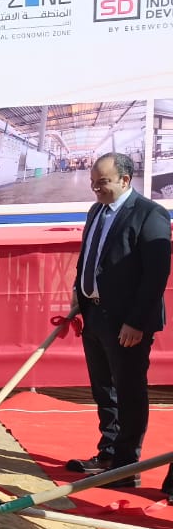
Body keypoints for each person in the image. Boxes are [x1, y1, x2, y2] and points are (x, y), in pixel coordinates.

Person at [65, 152, 171, 490]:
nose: (96, 189)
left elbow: (156, 275)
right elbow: (89, 257)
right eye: (93, 183)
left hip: (127, 322)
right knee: (104, 389)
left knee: (128, 390)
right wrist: (79, 292)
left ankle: (126, 466)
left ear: (125, 180)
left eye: (103, 182)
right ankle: (108, 453)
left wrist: (136, 322)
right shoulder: (96, 210)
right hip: (95, 314)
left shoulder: (149, 214)